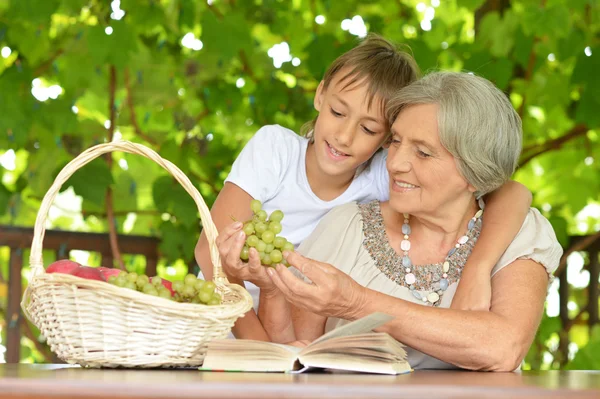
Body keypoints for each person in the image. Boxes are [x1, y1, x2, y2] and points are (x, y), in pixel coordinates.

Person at [199, 36, 533, 340]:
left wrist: (479, 265)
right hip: (224, 313)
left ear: (387, 138)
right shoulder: (275, 149)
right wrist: (259, 344)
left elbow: (510, 192)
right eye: (337, 112)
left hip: (284, 328)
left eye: (368, 128)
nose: (344, 136)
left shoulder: (384, 175)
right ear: (320, 94)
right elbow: (208, 251)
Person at [238, 71, 563, 371]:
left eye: (422, 153)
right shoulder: (345, 227)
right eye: (395, 141)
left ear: (474, 173)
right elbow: (293, 354)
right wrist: (271, 288)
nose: (395, 164)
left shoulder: (517, 235)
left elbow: (502, 348)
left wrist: (357, 302)